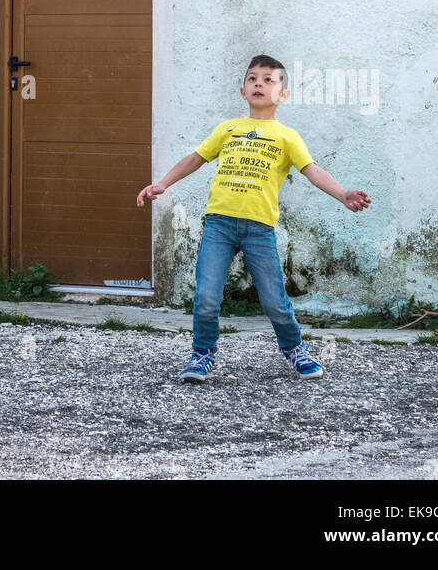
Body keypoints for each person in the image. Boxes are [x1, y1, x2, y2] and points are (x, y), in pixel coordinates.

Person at [137, 54, 371, 382]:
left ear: (283, 94)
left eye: (268, 79)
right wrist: (162, 183)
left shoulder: (287, 137)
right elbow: (194, 159)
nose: (259, 83)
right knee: (206, 295)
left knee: (274, 299)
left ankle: (293, 348)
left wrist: (343, 193)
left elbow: (312, 170)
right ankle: (202, 353)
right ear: (242, 91)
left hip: (259, 230)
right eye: (252, 78)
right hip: (219, 225)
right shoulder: (227, 129)